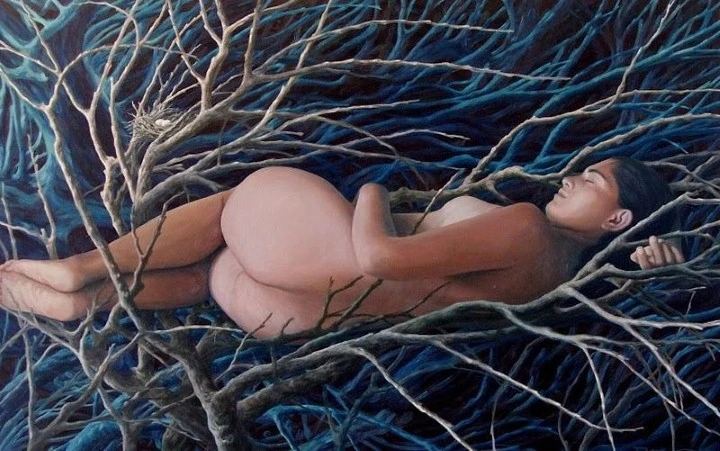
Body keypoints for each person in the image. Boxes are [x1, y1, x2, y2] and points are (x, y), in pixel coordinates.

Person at [0, 157, 684, 338]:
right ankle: (83, 302)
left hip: (316, 258)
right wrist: (655, 271)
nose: (572, 177)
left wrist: (373, 194)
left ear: (618, 216)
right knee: (209, 273)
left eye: (593, 180)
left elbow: (380, 257)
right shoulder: (557, 280)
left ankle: (81, 270)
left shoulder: (529, 226)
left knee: (236, 204)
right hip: (286, 315)